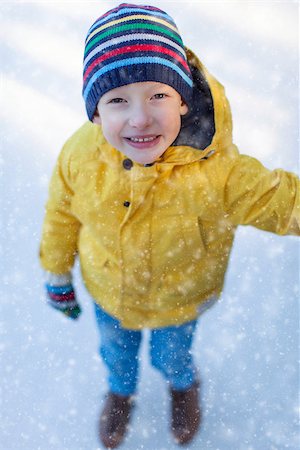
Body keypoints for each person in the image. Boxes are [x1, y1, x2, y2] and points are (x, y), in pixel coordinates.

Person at [39, 3, 299, 449]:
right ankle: (120, 394)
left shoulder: (218, 173)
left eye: (157, 95)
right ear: (96, 113)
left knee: (173, 357)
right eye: (118, 100)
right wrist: (57, 272)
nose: (140, 118)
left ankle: (183, 387)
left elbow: (281, 200)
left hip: (180, 298)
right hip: (109, 290)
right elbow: (61, 213)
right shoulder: (79, 156)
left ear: (182, 99)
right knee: (116, 357)